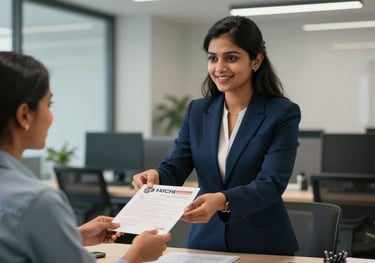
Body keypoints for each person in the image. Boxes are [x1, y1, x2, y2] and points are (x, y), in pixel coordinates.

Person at [133, 16, 300, 255]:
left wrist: (222, 200)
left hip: (263, 244)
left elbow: (271, 184)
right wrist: (156, 176)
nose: (219, 68)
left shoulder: (281, 113)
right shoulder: (198, 111)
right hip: (206, 242)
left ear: (256, 61)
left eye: (231, 58)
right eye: (213, 58)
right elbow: (176, 166)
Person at [0, 51, 171, 263]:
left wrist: (73, 236)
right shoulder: (37, 201)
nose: (51, 116)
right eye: (49, 104)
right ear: (24, 114)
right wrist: (136, 256)